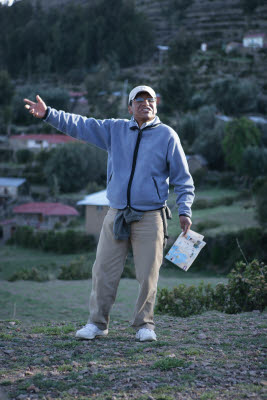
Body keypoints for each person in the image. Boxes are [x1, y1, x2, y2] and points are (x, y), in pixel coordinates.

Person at [24, 85, 195, 342]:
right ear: (130, 107)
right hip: (116, 214)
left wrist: (184, 210)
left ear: (156, 106)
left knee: (148, 275)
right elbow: (80, 124)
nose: (145, 103)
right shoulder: (114, 129)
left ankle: (144, 325)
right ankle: (97, 323)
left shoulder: (168, 136)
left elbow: (183, 179)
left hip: (151, 216)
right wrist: (48, 113)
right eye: (138, 100)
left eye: (150, 100)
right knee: (103, 271)